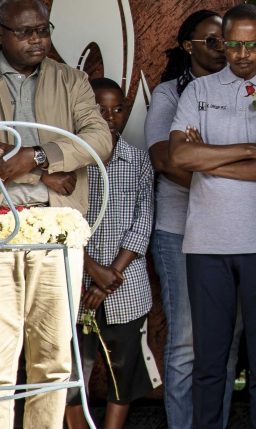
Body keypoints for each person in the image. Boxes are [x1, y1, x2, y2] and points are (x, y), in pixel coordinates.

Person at [0, 0, 113, 429]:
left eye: (42, 30)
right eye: (24, 32)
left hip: (55, 230)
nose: (37, 40)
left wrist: (37, 156)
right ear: (0, 32)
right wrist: (40, 172)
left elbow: (99, 140)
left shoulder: (72, 80)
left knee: (53, 361)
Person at [169, 3, 256, 429]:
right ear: (222, 43)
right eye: (234, 45)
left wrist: (210, 160)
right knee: (209, 362)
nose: (243, 54)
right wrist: (250, 150)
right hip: (207, 243)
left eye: (252, 45)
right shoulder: (198, 91)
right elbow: (180, 156)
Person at [144, 9, 244, 429]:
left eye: (228, 41)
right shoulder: (170, 94)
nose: (223, 48)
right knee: (186, 341)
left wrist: (201, 155)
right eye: (213, 40)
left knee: (226, 342)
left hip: (235, 231)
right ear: (189, 46)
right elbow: (165, 160)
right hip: (179, 229)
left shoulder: (244, 91)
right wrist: (232, 170)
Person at [67, 78, 159, 429]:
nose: (110, 117)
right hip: (76, 280)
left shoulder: (137, 160)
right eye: (100, 110)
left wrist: (108, 278)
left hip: (126, 284)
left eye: (117, 109)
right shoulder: (71, 159)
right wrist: (93, 270)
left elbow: (143, 222)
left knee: (124, 368)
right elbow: (60, 222)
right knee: (72, 370)